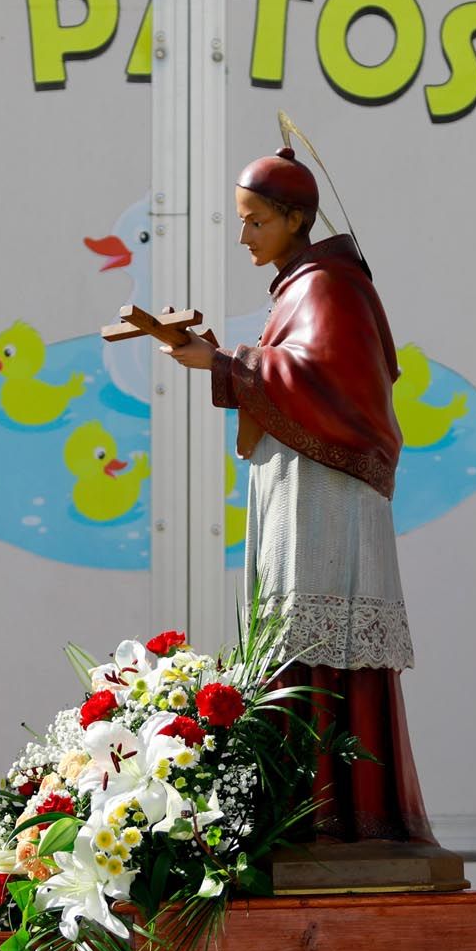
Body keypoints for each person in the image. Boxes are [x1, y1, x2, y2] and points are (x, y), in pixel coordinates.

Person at [161, 147, 435, 849]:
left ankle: (338, 819)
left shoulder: (328, 287)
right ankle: (305, 811)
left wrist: (223, 363)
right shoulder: (303, 284)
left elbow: (330, 384)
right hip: (301, 488)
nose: (244, 236)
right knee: (296, 644)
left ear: (295, 218)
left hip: (328, 502)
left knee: (321, 646)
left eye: (256, 221)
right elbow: (292, 376)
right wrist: (222, 358)